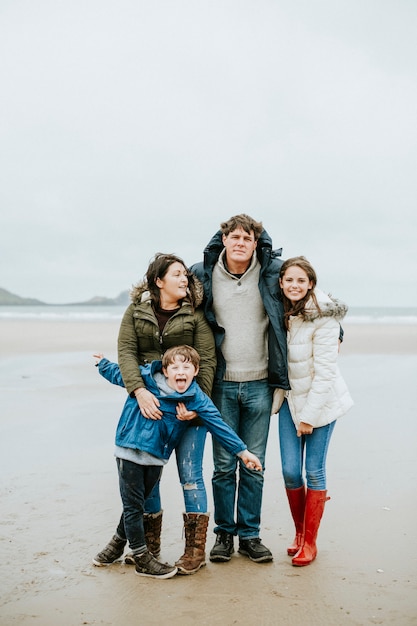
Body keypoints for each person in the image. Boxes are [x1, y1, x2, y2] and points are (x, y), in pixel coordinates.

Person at [93, 345, 263, 579]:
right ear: (165, 370)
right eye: (175, 367)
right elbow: (119, 374)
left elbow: (219, 425)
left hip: (155, 458)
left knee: (138, 502)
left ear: (196, 371)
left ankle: (114, 546)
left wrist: (243, 452)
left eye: (186, 367)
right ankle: (142, 557)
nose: (180, 371)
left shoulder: (196, 399)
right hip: (128, 450)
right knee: (134, 506)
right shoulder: (146, 379)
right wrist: (103, 363)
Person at [95, 253, 217, 574]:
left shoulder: (195, 315)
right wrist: (139, 390)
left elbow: (207, 359)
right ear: (159, 281)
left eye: (186, 276)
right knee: (149, 478)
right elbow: (126, 353)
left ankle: (194, 552)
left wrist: (194, 404)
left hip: (187, 410)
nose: (185, 280)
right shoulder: (136, 312)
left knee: (191, 475)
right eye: (177, 274)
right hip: (148, 407)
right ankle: (147, 548)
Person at [191, 214, 290, 564]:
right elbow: (171, 303)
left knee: (254, 463)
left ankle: (250, 535)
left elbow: (305, 294)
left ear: (255, 242)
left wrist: (335, 329)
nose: (240, 243)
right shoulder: (201, 273)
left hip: (261, 383)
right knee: (222, 465)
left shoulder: (272, 271)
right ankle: (223, 535)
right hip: (220, 384)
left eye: (247, 238)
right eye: (234, 236)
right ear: (224, 239)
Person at [274, 256, 353, 566]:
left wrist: (309, 417)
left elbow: (326, 373)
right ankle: (298, 532)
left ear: (311, 285)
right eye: (289, 280)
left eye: (301, 281)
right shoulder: (280, 312)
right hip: (289, 401)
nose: (295, 285)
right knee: (290, 470)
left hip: (321, 403)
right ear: (280, 283)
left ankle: (310, 541)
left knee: (313, 471)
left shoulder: (324, 318)